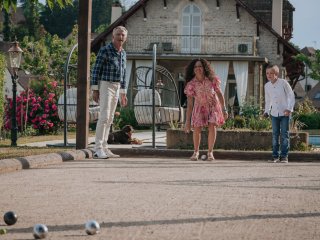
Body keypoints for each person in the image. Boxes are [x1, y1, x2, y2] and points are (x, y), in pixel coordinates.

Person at [90, 26, 128, 159]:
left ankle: (105, 147)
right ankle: (97, 148)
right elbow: (96, 70)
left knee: (110, 118)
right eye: (118, 34)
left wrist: (123, 93)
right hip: (106, 85)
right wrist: (95, 89)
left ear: (125, 37)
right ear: (113, 36)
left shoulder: (123, 53)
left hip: (117, 86)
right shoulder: (105, 50)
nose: (120, 37)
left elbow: (123, 74)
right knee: (104, 116)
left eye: (123, 35)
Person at [184, 58, 228, 161]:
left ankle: (210, 152)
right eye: (195, 67)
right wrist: (187, 121)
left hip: (213, 106)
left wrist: (224, 109)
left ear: (204, 68)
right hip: (199, 107)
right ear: (193, 69)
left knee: (212, 126)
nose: (198, 68)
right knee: (197, 128)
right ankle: (196, 152)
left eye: (200, 66)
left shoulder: (212, 79)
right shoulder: (191, 84)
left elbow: (220, 94)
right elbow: (190, 104)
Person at [264, 64, 295, 163]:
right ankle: (275, 156)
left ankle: (284, 156)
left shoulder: (283, 83)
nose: (269, 75)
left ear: (276, 74)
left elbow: (291, 95)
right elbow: (268, 100)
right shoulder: (267, 86)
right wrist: (266, 111)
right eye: (267, 73)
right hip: (274, 114)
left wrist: (289, 109)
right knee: (275, 135)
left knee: (284, 135)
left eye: (271, 73)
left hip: (285, 113)